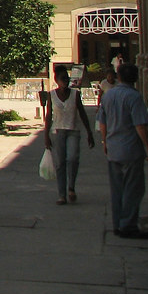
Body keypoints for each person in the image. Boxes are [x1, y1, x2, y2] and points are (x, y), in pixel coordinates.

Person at [98, 63, 148, 238]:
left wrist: (105, 141)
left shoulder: (109, 95)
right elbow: (140, 125)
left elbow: (102, 122)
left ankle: (118, 224)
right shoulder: (134, 97)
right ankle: (128, 225)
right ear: (136, 78)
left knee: (117, 189)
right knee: (133, 189)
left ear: (119, 77)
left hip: (114, 149)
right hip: (130, 149)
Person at [44, 66, 95, 205]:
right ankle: (62, 194)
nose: (65, 82)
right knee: (60, 163)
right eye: (62, 79)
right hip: (58, 131)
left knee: (72, 159)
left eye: (67, 79)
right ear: (56, 80)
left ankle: (71, 187)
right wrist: (46, 135)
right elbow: (49, 116)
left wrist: (89, 132)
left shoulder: (75, 94)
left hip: (73, 130)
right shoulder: (52, 95)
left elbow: (82, 113)